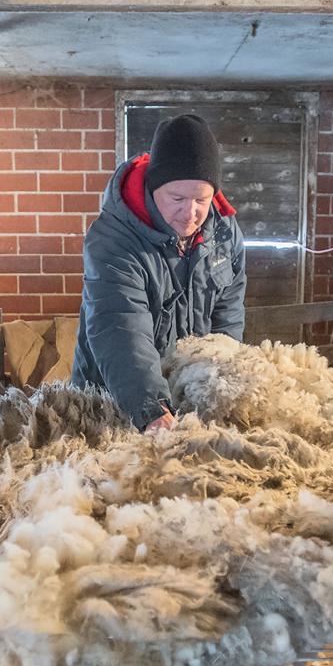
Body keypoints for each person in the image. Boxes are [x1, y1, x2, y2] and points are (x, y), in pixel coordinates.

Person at [71, 114, 247, 430]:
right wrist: (150, 408)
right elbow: (120, 325)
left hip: (187, 396)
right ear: (154, 188)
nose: (190, 213)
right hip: (114, 401)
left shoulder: (223, 234)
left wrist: (218, 386)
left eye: (201, 199)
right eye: (177, 198)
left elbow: (228, 314)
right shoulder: (114, 240)